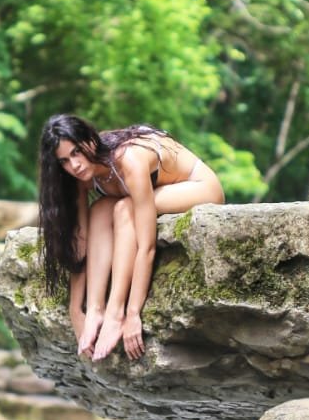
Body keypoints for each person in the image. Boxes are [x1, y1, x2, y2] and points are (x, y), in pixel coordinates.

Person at [38, 113, 225, 363]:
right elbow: (80, 241)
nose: (75, 165)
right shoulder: (80, 178)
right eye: (64, 161)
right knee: (100, 210)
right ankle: (96, 311)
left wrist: (132, 313)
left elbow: (147, 246)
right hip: (150, 194)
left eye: (76, 152)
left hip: (200, 186)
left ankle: (114, 313)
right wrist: (76, 312)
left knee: (124, 210)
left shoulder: (129, 161)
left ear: (90, 141)